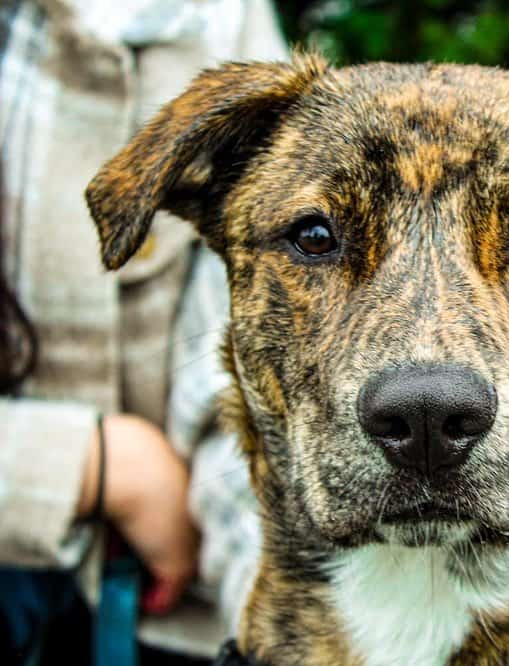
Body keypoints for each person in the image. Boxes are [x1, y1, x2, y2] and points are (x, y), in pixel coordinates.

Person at [0, 0, 286, 661]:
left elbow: (244, 371)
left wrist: (275, 622)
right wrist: (89, 464)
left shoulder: (224, 23)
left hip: (156, 607)